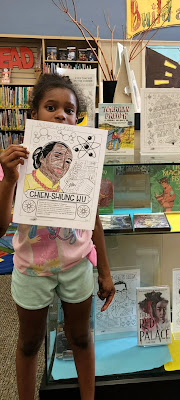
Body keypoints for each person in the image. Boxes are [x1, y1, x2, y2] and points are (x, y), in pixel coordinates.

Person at [0, 73, 115, 400]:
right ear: (33, 115)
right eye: (51, 107)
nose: (61, 115)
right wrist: (8, 180)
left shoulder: (81, 168)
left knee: (80, 338)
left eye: (69, 110)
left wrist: (105, 271)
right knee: (29, 342)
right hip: (30, 269)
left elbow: (92, 220)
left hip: (76, 265)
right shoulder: (16, 165)